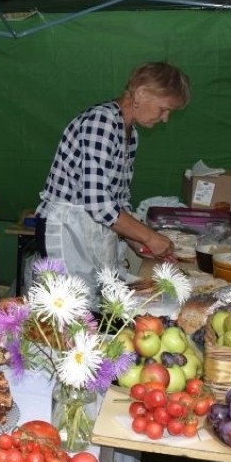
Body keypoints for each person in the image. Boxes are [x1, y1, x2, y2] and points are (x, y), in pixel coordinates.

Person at [35, 61, 191, 293]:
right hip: (66, 229)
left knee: (97, 304)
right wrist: (149, 237)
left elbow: (120, 200)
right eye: (163, 109)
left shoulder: (130, 134)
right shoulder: (102, 122)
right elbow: (99, 204)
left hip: (88, 231)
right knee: (72, 311)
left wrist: (136, 241)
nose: (165, 118)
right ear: (141, 93)